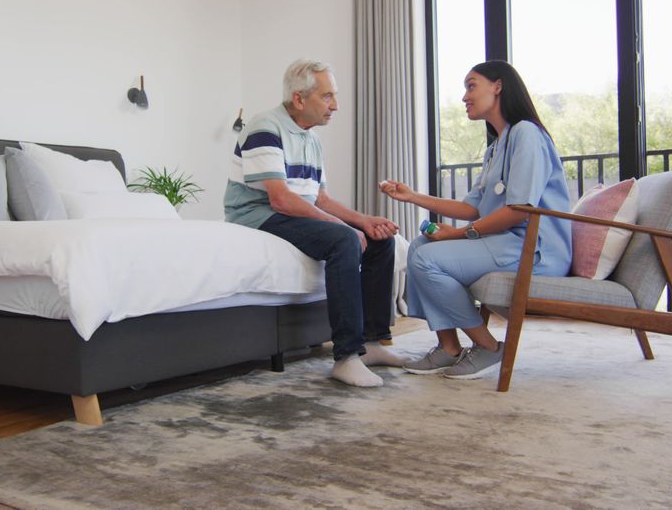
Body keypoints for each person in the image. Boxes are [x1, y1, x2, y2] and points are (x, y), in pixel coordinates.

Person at [380, 60, 572, 380]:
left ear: (498, 86)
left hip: (534, 249)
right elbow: (473, 208)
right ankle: (449, 348)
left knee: (427, 258)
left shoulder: (527, 133)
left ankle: (487, 347)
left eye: (471, 86)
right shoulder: (496, 147)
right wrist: (411, 195)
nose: (464, 96)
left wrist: (457, 235)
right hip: (508, 243)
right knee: (418, 246)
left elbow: (519, 210)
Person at [224, 59, 406, 388]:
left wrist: (364, 221)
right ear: (299, 98)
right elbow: (279, 198)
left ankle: (372, 344)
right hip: (257, 215)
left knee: (380, 239)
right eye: (327, 97)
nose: (335, 105)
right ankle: (347, 356)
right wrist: (343, 229)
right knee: (343, 241)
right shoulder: (265, 127)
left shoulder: (311, 138)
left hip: (289, 211)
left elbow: (318, 199)